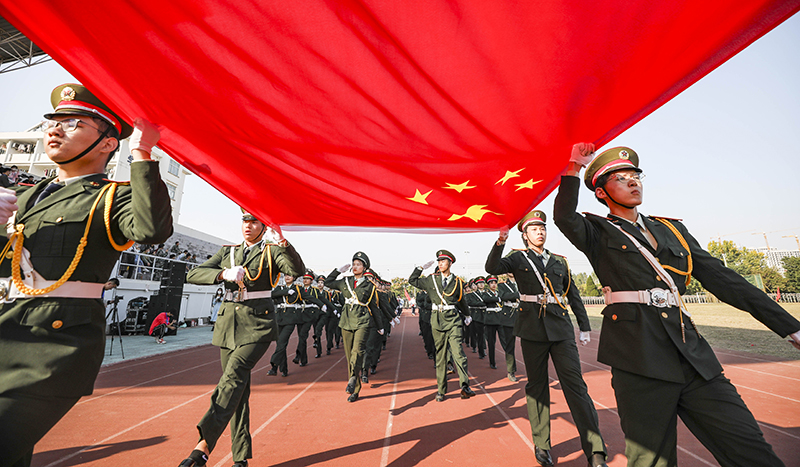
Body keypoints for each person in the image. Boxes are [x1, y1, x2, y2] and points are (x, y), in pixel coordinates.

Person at [554, 143, 800, 467]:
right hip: (638, 361)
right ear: (601, 192)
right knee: (651, 462)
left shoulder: (673, 230)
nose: (632, 181)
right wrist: (574, 168)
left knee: (751, 450)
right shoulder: (597, 231)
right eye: (621, 178)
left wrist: (789, 326)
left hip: (693, 359)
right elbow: (564, 217)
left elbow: (724, 280)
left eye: (635, 175)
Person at [0, 83, 173, 467]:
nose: (54, 129)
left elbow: (151, 229)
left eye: (73, 123)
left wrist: (142, 153)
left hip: (53, 345)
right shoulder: (24, 197)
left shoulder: (113, 196)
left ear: (108, 143)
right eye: (53, 122)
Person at [179, 208, 304, 467]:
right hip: (228, 326)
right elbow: (192, 274)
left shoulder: (271, 251)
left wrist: (283, 243)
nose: (248, 225)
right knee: (237, 390)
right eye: (245, 220)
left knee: (232, 377)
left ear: (263, 226)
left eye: (254, 221)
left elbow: (296, 269)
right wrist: (221, 274)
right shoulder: (228, 252)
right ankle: (240, 457)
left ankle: (203, 446)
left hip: (257, 325)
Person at [486, 210, 608, 467]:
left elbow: (573, 294)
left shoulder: (560, 261)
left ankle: (595, 450)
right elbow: (492, 268)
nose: (540, 232)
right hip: (532, 330)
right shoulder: (517, 258)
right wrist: (500, 242)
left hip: (561, 329)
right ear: (525, 235)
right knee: (537, 387)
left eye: (542, 228)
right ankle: (542, 444)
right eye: (534, 229)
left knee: (576, 386)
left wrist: (584, 326)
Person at [409, 250, 476, 402]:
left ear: (450, 263)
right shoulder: (431, 280)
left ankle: (465, 386)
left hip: (453, 320)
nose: (440, 264)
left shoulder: (457, 282)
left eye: (443, 261)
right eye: (439, 261)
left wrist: (467, 315)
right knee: (440, 356)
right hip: (437, 320)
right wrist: (420, 268)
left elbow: (461, 301)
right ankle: (441, 390)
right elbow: (412, 280)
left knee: (458, 353)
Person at [325, 251, 384, 402]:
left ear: (365, 268)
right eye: (354, 264)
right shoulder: (345, 281)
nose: (355, 266)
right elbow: (327, 282)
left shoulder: (369, 286)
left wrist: (380, 326)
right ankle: (355, 389)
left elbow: (374, 307)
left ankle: (352, 378)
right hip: (346, 321)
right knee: (349, 355)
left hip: (362, 321)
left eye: (359, 264)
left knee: (357, 351)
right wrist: (337, 271)